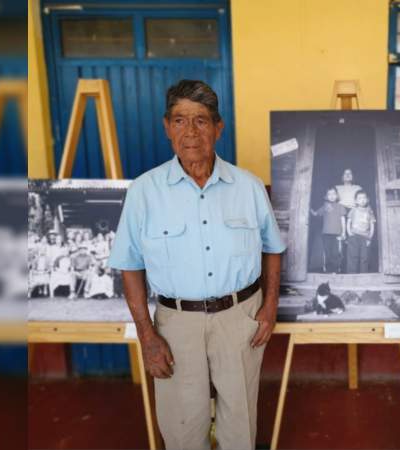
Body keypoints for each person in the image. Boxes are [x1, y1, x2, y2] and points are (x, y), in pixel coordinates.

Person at [108, 79, 285, 450]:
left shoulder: (248, 187)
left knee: (240, 426)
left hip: (241, 319)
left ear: (218, 128)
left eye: (201, 121)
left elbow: (273, 248)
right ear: (166, 127)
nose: (190, 132)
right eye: (180, 120)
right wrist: (146, 334)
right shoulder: (144, 191)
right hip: (176, 325)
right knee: (183, 430)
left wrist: (269, 307)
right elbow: (129, 265)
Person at [310, 187, 347, 273]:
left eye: (334, 193)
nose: (332, 196)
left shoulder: (340, 206)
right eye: (329, 194)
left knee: (336, 253)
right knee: (327, 252)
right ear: (326, 196)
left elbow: (343, 220)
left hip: (337, 233)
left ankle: (336, 270)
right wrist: (309, 209)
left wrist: (344, 232)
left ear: (337, 195)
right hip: (326, 233)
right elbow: (316, 214)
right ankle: (328, 270)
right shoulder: (325, 206)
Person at [345, 190, 375, 274]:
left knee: (364, 257)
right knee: (353, 256)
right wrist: (349, 233)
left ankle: (363, 275)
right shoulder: (353, 210)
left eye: (364, 198)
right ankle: (352, 275)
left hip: (365, 237)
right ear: (356, 201)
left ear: (367, 200)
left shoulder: (369, 211)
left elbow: (372, 224)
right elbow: (349, 222)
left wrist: (370, 237)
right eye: (360, 198)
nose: (362, 200)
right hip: (354, 236)